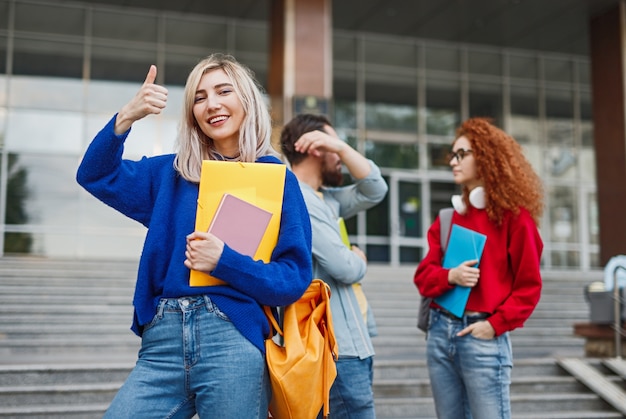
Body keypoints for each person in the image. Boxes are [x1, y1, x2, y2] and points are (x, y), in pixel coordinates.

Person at [76, 53, 313, 419]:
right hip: (163, 342)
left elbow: (293, 278)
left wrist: (225, 262)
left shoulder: (275, 178)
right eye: (199, 97)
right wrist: (127, 117)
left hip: (231, 338)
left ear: (246, 100)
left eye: (223, 91)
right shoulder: (171, 174)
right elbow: (95, 175)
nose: (212, 104)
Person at [413, 117, 544, 419]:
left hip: (482, 335)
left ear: (486, 158)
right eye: (452, 154)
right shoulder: (448, 218)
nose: (453, 161)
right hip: (439, 331)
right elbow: (423, 277)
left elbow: (529, 287)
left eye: (462, 154)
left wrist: (494, 326)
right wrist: (451, 275)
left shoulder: (516, 219)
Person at [280, 113, 388, 419]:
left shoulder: (327, 199)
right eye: (332, 146)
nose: (340, 155)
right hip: (336, 347)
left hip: (352, 343)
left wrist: (340, 147)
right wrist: (360, 257)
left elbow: (375, 189)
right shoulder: (298, 198)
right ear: (314, 148)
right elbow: (345, 267)